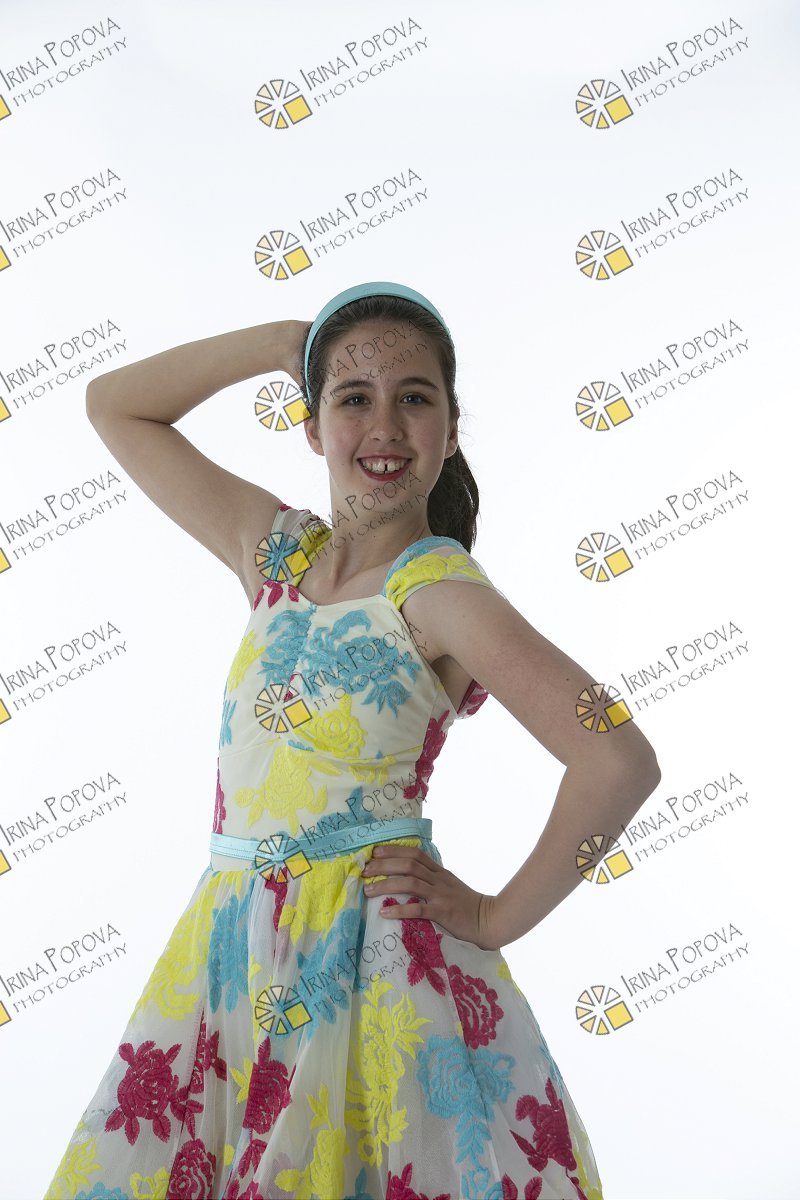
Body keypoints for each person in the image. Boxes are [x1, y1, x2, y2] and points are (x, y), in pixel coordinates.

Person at [43, 281, 661, 1200]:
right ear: (312, 425)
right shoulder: (277, 555)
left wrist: (494, 918)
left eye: (414, 398)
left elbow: (618, 759)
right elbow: (115, 406)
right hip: (233, 947)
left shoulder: (438, 591)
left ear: (451, 429)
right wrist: (283, 343)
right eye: (353, 397)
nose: (384, 426)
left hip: (363, 967)